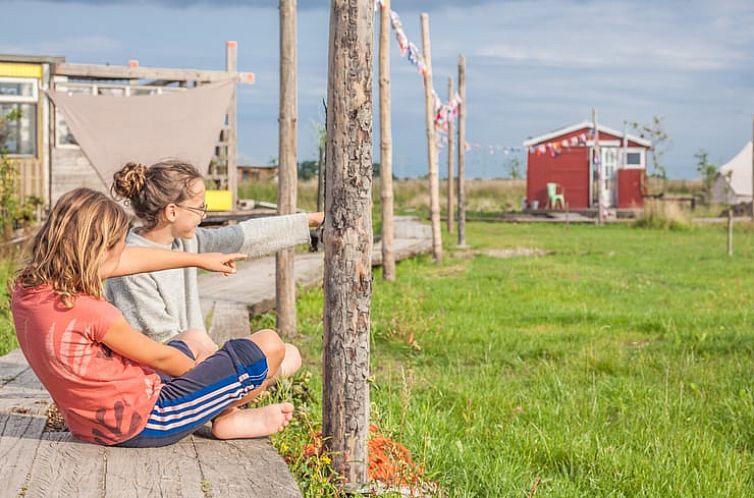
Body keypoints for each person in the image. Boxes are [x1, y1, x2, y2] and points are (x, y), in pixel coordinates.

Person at [11, 188, 298, 447]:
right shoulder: (91, 312)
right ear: (95, 253)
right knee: (268, 346)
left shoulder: (30, 290)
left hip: (92, 422)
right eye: (117, 248)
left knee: (191, 338)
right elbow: (162, 360)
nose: (122, 255)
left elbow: (129, 260)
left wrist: (198, 259)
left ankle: (225, 413)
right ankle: (223, 415)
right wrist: (206, 375)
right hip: (151, 420)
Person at [105, 160, 323, 365]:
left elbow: (243, 236)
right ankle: (230, 395)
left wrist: (310, 220)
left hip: (198, 357)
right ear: (172, 211)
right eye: (199, 208)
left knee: (290, 355)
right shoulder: (130, 266)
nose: (204, 215)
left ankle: (234, 391)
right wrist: (215, 368)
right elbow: (159, 346)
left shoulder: (185, 242)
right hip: (165, 372)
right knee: (268, 353)